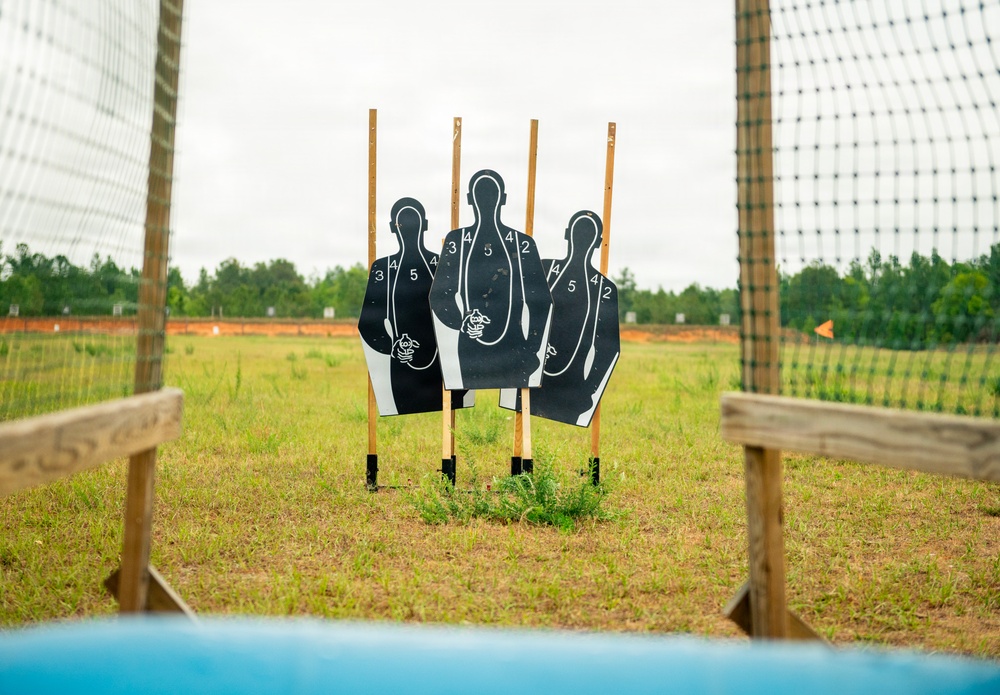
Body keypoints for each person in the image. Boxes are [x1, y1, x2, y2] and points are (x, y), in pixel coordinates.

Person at [429, 170, 552, 390]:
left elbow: (540, 301)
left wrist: (531, 347)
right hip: (471, 341)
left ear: (502, 198)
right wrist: (461, 323)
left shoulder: (521, 243)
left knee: (518, 394)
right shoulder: (457, 241)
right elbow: (440, 295)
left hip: (514, 343)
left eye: (491, 194)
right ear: (469, 199)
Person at [500, 210, 620, 426]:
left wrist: (589, 388)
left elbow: (607, 348)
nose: (581, 240)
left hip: (572, 382)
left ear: (598, 242)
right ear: (567, 234)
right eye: (578, 233)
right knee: (523, 419)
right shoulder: (545, 269)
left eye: (587, 235)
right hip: (534, 370)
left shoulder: (604, 289)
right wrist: (523, 355)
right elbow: (519, 309)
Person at [359, 197, 472, 415]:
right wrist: (392, 347)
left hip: (442, 364)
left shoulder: (441, 264)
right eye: (403, 223)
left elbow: (457, 311)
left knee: (449, 407)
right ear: (394, 228)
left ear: (425, 225)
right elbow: (368, 323)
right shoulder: (383, 269)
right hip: (404, 368)